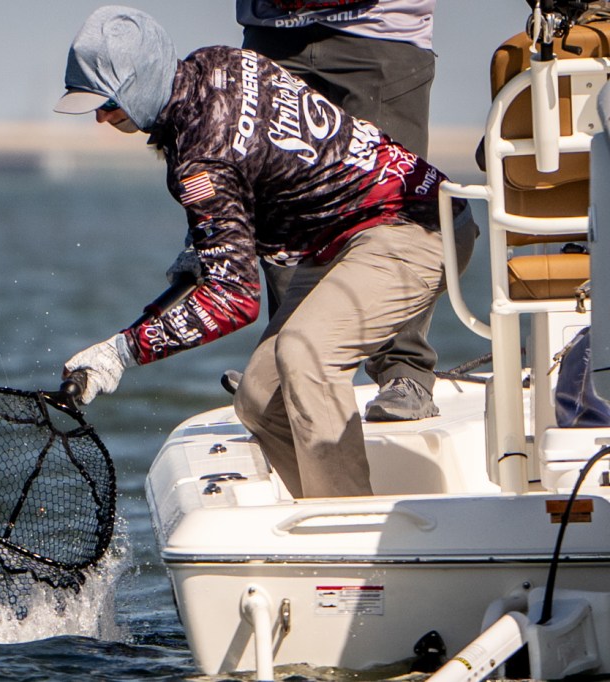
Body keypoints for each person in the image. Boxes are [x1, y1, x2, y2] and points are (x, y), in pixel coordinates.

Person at [54, 5, 475, 498]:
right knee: (259, 397)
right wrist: (205, 241)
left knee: (306, 355)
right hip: (352, 234)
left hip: (414, 226)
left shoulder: (199, 161)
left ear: (140, 84)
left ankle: (348, 527)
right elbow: (253, 159)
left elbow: (234, 300)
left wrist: (121, 352)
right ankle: (328, 505)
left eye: (108, 102)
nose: (101, 118)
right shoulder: (215, 62)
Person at [234, 0, 469, 422]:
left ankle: (404, 372)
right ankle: (280, 372)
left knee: (395, 207)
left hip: (381, 33)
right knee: (281, 206)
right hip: (272, 31)